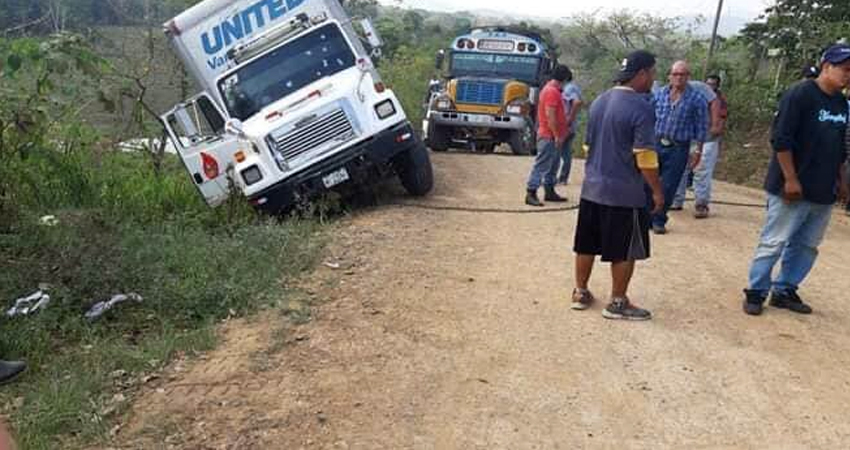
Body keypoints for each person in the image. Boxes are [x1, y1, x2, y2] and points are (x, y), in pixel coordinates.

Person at [743, 43, 850, 316]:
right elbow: (781, 140)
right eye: (845, 69)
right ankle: (756, 291)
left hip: (823, 189)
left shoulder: (841, 102)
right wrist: (790, 179)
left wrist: (841, 180)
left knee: (807, 244)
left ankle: (785, 289)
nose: (848, 75)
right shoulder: (800, 94)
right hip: (792, 187)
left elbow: (840, 147)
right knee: (775, 241)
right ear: (827, 66)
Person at [571, 50, 664, 321]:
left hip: (592, 189)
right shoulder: (641, 108)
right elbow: (645, 157)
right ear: (642, 73)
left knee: (586, 244)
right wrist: (657, 191)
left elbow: (588, 146)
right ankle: (618, 302)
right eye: (653, 72)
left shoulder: (599, 101)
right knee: (625, 248)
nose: (654, 78)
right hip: (625, 194)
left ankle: (580, 292)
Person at [651, 61, 709, 234]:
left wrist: (698, 150)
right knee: (649, 181)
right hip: (656, 143)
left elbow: (702, 126)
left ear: (688, 77)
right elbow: (649, 117)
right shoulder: (659, 94)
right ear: (669, 76)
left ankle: (659, 219)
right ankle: (645, 216)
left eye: (682, 74)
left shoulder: (697, 98)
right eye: (675, 74)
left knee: (669, 186)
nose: (678, 78)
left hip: (679, 148)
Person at [672, 75, 729, 218]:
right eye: (708, 83)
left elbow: (718, 124)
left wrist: (707, 132)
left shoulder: (719, 101)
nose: (710, 86)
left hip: (708, 139)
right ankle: (676, 200)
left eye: (713, 84)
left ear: (717, 86)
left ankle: (701, 204)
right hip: (688, 138)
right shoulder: (693, 95)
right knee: (681, 168)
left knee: (702, 171)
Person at [525, 64, 571, 207]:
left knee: (553, 164)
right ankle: (531, 191)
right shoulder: (551, 92)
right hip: (548, 136)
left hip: (552, 136)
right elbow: (550, 116)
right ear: (563, 79)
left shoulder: (553, 91)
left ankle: (549, 190)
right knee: (542, 164)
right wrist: (557, 135)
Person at [557, 69, 583, 185]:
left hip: (566, 126)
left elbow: (576, 102)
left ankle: (554, 178)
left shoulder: (569, 88)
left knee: (557, 151)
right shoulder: (575, 87)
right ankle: (563, 178)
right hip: (571, 126)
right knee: (566, 153)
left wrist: (568, 120)